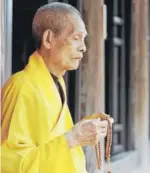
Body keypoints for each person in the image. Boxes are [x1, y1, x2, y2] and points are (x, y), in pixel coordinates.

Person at [1, 2, 113, 173]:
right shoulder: (21, 86)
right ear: (48, 39)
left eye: (84, 39)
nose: (83, 47)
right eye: (76, 38)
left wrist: (86, 129)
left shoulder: (56, 81)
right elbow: (8, 164)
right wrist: (73, 138)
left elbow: (51, 138)